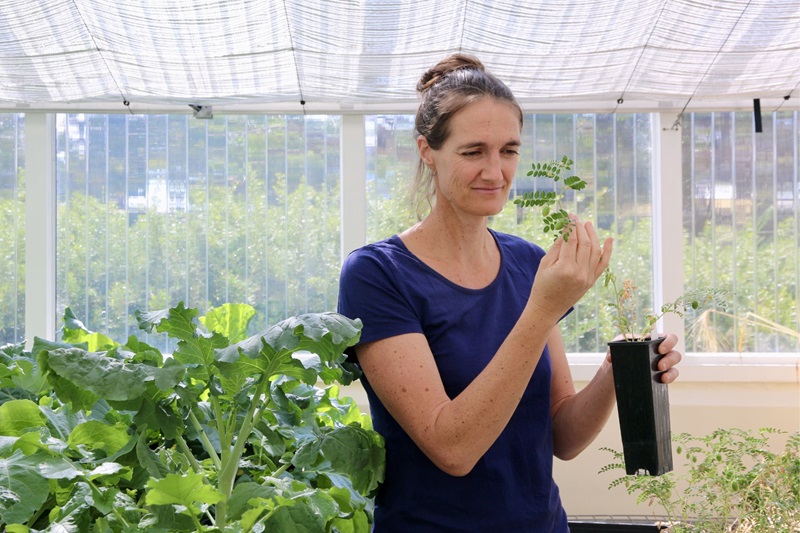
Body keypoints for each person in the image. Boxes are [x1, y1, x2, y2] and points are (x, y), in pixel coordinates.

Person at [337, 53, 682, 532]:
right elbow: (452, 448)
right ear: (426, 151)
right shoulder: (378, 274)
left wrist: (619, 373)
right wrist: (543, 309)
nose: (495, 171)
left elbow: (564, 434)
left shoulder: (525, 263)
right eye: (473, 151)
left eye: (509, 150)